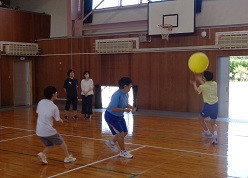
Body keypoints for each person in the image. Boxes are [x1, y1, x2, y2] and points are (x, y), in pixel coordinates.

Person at [36, 86, 76, 164]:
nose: (57, 94)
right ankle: (67, 157)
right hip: (48, 130)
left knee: (50, 145)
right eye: (56, 93)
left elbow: (38, 112)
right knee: (61, 141)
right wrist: (61, 120)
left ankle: (42, 154)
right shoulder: (54, 107)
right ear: (53, 94)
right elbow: (57, 119)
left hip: (39, 131)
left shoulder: (40, 102)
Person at [104, 77, 136, 158]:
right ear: (125, 86)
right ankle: (123, 152)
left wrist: (132, 107)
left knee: (124, 132)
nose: (131, 87)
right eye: (130, 85)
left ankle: (111, 143)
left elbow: (125, 103)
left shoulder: (126, 94)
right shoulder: (116, 95)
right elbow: (113, 108)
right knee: (120, 134)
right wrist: (125, 110)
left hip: (119, 116)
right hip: (111, 117)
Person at [190, 70, 218, 144]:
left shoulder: (203, 86)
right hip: (215, 106)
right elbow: (206, 86)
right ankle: (215, 134)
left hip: (208, 106)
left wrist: (194, 84)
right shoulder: (215, 84)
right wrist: (200, 79)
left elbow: (197, 91)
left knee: (200, 119)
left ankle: (208, 133)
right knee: (213, 123)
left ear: (204, 78)